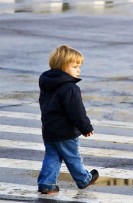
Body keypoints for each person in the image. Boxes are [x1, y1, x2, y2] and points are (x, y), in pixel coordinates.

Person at [37, 45, 99, 194]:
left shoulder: (47, 84)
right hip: (66, 132)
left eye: (79, 66)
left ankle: (46, 184)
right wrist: (86, 127)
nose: (79, 70)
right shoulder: (70, 88)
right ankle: (84, 179)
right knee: (72, 156)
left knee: (52, 156)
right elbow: (76, 111)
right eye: (75, 66)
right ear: (63, 67)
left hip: (49, 129)